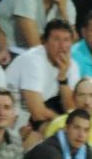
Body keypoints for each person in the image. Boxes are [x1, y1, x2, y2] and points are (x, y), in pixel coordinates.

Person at [5, 18, 79, 146]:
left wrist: (63, 78)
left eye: (66, 40)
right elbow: (37, 112)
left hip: (31, 119)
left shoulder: (72, 66)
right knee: (58, 136)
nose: (62, 46)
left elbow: (71, 109)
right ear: (45, 42)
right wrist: (63, 123)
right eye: (56, 39)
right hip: (11, 113)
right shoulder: (33, 60)